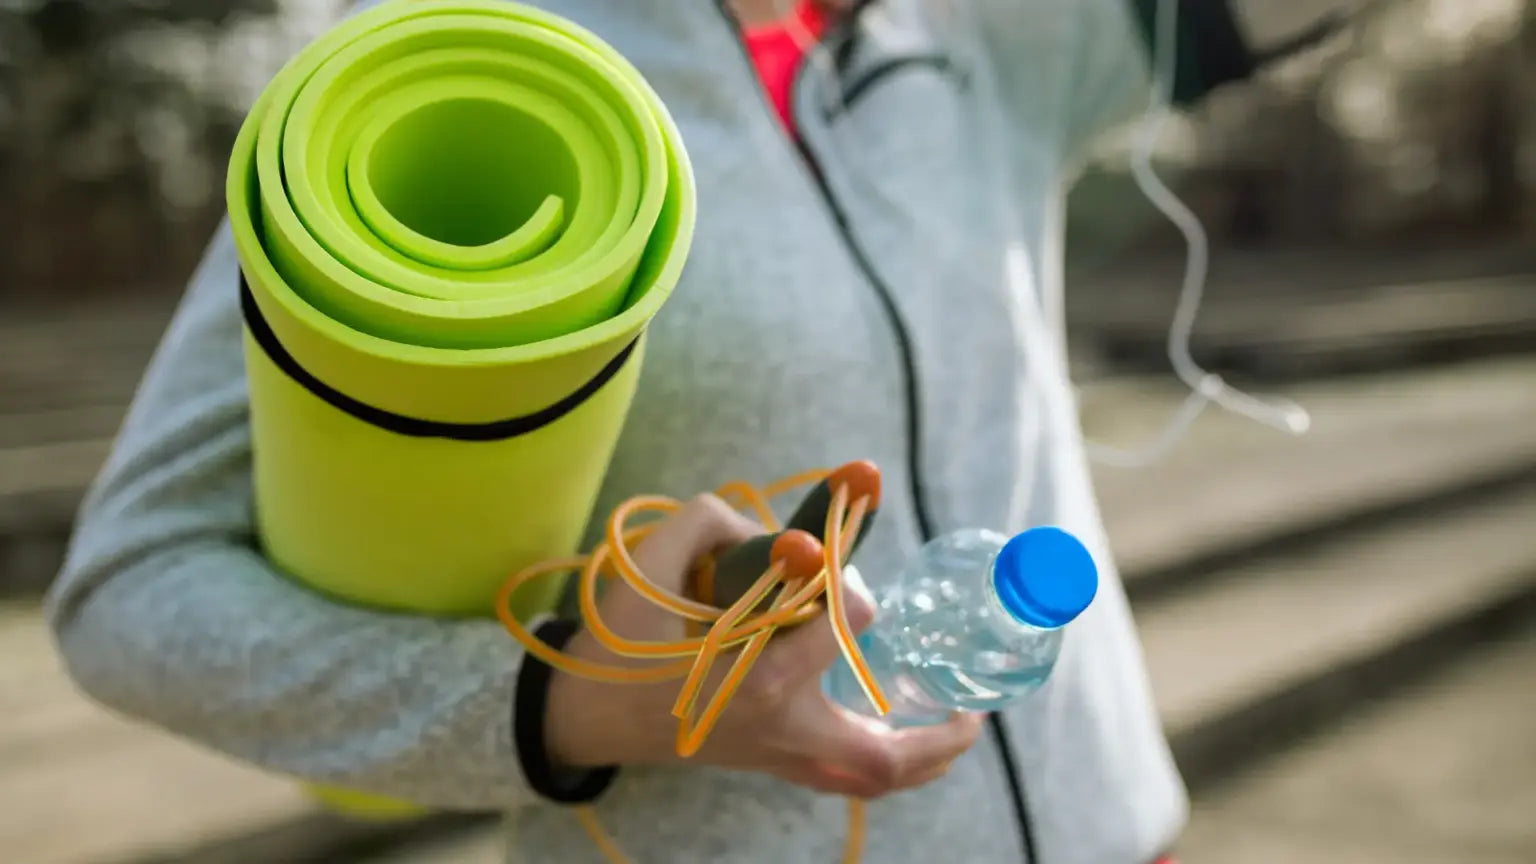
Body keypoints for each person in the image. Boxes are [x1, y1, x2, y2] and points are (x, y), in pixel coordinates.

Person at [47, 0, 1358, 862]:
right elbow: (130, 590)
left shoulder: (977, 43)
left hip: (1119, 831)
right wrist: (564, 695)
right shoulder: (464, 72)